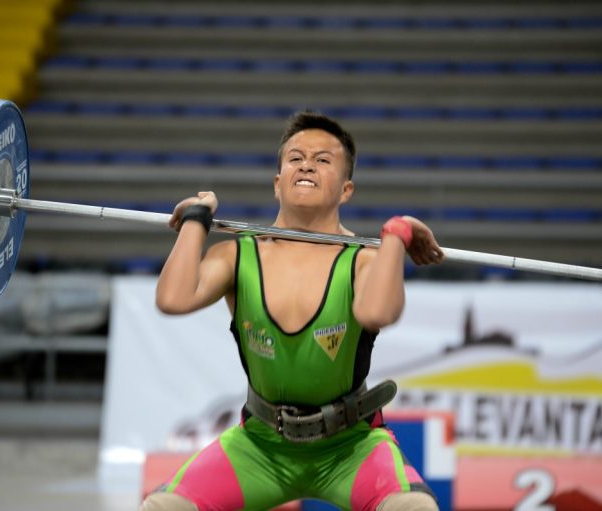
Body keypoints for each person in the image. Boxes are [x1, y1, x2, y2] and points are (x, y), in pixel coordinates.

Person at [142, 111, 445, 511]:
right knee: (165, 508)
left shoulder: (363, 259)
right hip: (260, 446)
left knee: (414, 508)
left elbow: (378, 313)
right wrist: (196, 221)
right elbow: (172, 299)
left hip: (350, 446)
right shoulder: (236, 253)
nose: (307, 164)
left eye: (323, 160)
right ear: (277, 182)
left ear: (346, 189)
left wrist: (395, 237)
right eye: (296, 157)